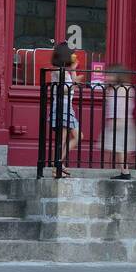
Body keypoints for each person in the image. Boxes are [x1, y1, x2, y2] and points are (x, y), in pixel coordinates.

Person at [47, 42, 81, 178]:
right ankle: (57, 166)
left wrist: (73, 70)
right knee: (63, 138)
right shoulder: (57, 71)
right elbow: (62, 89)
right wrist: (74, 83)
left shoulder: (65, 71)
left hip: (68, 107)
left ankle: (58, 163)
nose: (73, 55)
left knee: (78, 136)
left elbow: (72, 84)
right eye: (71, 53)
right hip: (61, 106)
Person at [99, 65, 136, 179]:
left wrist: (115, 119)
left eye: (110, 75)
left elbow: (118, 106)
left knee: (119, 148)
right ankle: (122, 170)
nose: (107, 77)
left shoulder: (120, 89)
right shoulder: (124, 88)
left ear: (117, 76)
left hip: (119, 121)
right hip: (123, 121)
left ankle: (125, 172)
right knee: (118, 148)